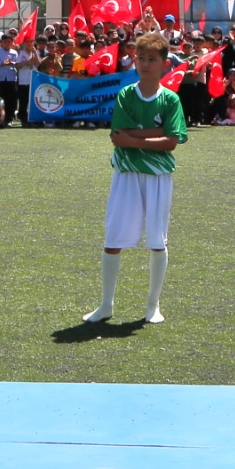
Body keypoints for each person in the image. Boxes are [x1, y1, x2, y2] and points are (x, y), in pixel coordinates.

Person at [85, 30, 189, 325]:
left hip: (157, 176)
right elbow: (118, 137)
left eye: (152, 59)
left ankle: (153, 306)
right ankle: (106, 305)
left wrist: (135, 138)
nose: (145, 63)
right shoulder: (126, 95)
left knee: (158, 241)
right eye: (140, 58)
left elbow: (172, 141)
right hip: (127, 174)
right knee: (112, 239)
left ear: (164, 63)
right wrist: (153, 134)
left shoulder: (170, 100)